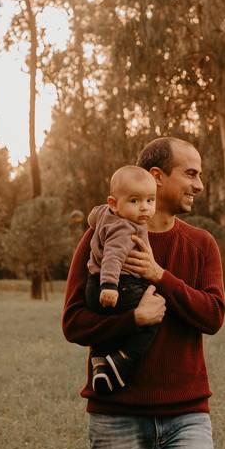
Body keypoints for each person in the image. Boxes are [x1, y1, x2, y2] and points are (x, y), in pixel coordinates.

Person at [62, 137, 225, 449]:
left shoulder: (201, 244)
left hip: (187, 418)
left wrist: (159, 275)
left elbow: (213, 316)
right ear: (157, 176)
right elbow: (73, 322)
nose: (199, 185)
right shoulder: (100, 236)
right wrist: (133, 319)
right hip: (116, 417)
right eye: (191, 174)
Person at [85, 165, 158, 395]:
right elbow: (113, 257)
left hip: (91, 285)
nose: (144, 208)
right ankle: (122, 359)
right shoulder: (125, 228)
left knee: (105, 321)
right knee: (154, 314)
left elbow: (92, 217)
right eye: (135, 201)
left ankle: (99, 363)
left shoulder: (103, 213)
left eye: (150, 200)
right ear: (114, 203)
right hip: (117, 286)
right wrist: (110, 286)